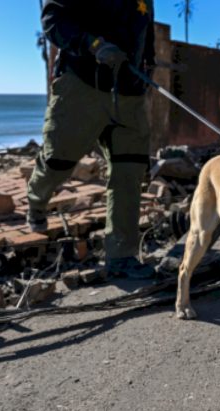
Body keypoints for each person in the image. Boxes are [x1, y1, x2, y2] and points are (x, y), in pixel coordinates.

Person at [28, 0, 156, 279]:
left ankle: (121, 256)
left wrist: (149, 65)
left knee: (130, 171)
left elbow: (146, 31)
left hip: (130, 93)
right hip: (81, 84)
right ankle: (36, 200)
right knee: (58, 161)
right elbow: (53, 19)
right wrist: (94, 45)